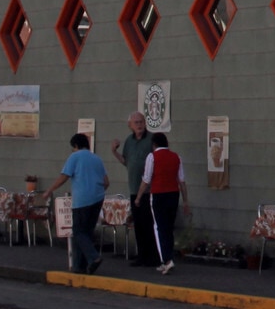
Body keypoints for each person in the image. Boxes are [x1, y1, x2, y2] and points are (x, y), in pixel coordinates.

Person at [46, 132, 107, 274]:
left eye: (73, 147)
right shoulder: (97, 159)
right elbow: (106, 182)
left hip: (82, 200)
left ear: (76, 145)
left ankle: (94, 257)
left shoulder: (75, 156)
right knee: (87, 232)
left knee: (78, 232)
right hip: (98, 198)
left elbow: (64, 176)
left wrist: (50, 189)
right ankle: (80, 266)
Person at [112, 112, 155, 266]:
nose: (139, 125)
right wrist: (114, 152)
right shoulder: (129, 141)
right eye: (136, 122)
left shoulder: (151, 139)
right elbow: (126, 162)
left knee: (149, 223)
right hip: (134, 188)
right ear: (130, 125)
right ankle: (142, 255)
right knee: (139, 224)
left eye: (141, 121)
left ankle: (153, 256)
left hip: (149, 190)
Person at [141, 131, 184, 275]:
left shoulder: (152, 156)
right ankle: (168, 257)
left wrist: (138, 196)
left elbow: (146, 179)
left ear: (154, 144)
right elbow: (181, 181)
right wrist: (186, 201)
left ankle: (166, 260)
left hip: (158, 194)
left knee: (159, 227)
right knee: (169, 227)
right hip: (174, 194)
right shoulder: (176, 157)